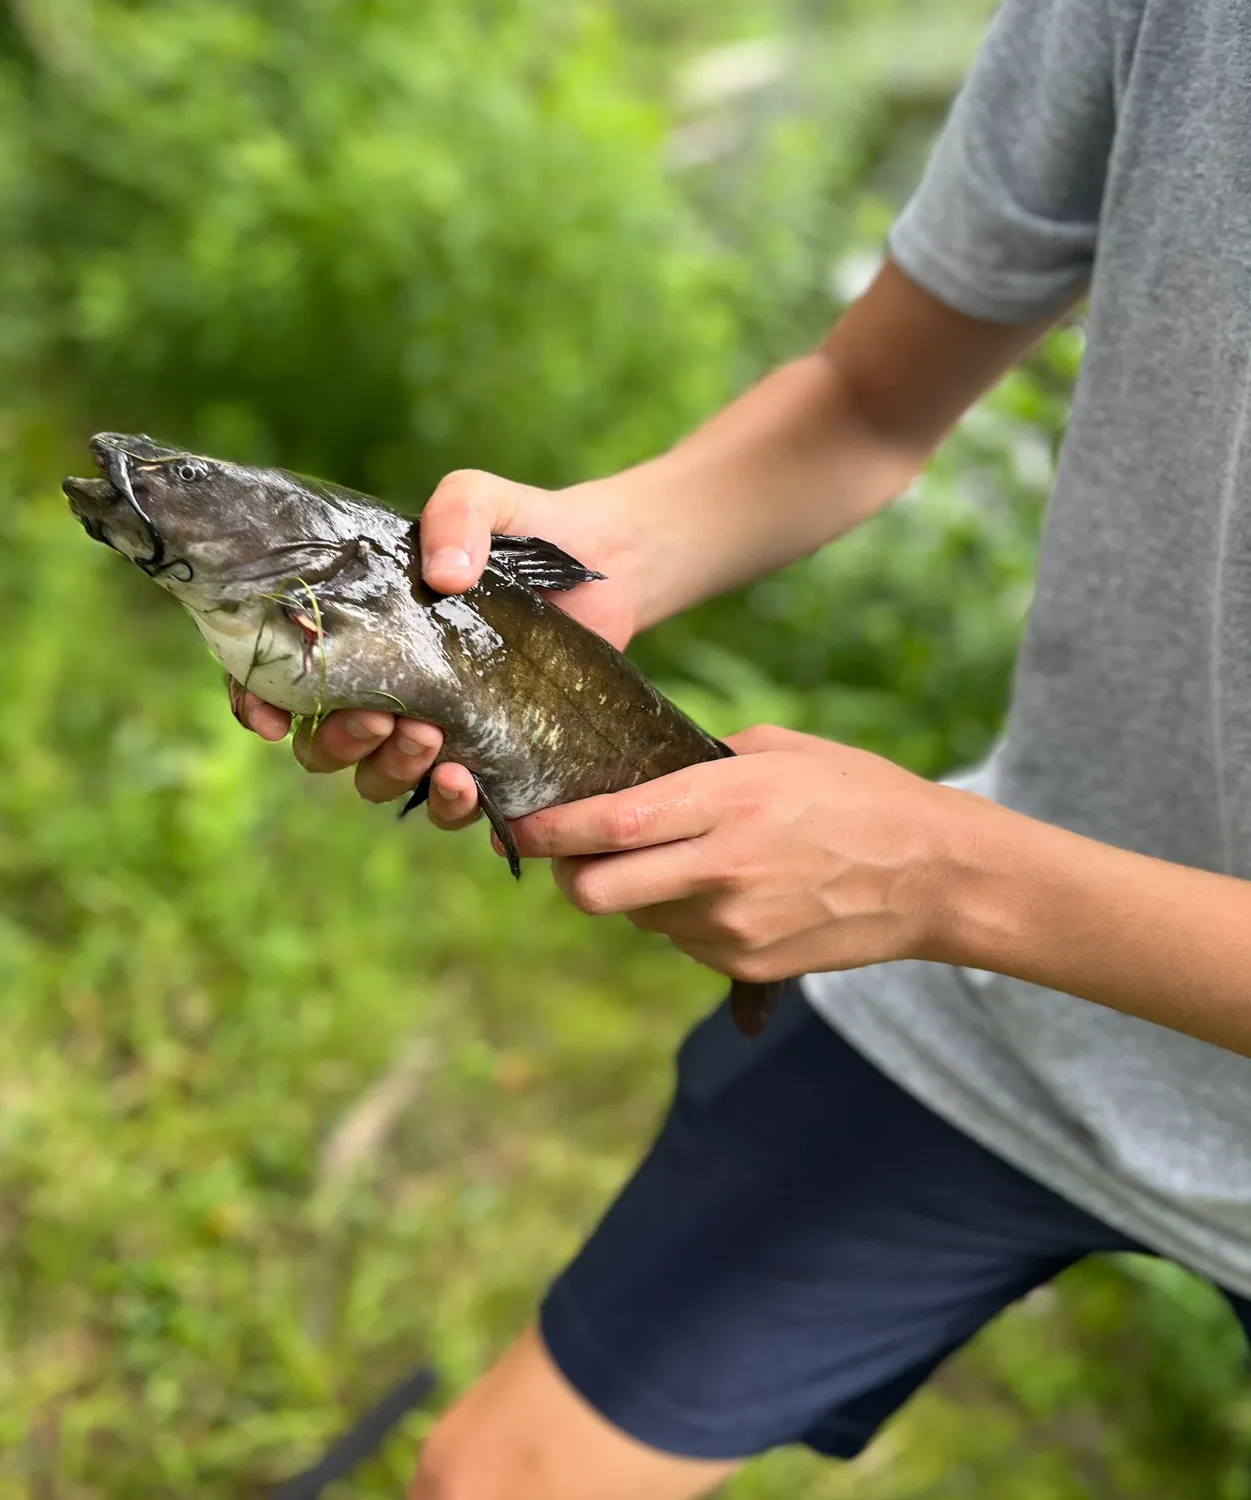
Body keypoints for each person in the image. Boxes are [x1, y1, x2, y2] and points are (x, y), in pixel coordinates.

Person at [235, 0, 1251, 1493]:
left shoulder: (961, 887)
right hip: (1003, 990)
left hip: (997, 904)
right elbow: (868, 397)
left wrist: (951, 881)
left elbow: (957, 882)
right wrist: (608, 551)